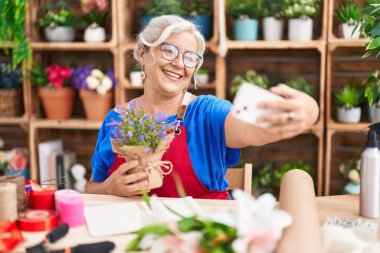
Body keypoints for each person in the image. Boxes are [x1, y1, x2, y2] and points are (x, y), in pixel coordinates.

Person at [86, 15, 319, 199]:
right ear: (143, 54)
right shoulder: (116, 119)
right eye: (168, 50)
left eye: (190, 58)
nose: (179, 63)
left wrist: (307, 110)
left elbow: (250, 130)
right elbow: (91, 188)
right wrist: (108, 188)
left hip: (205, 235)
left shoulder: (207, 113)